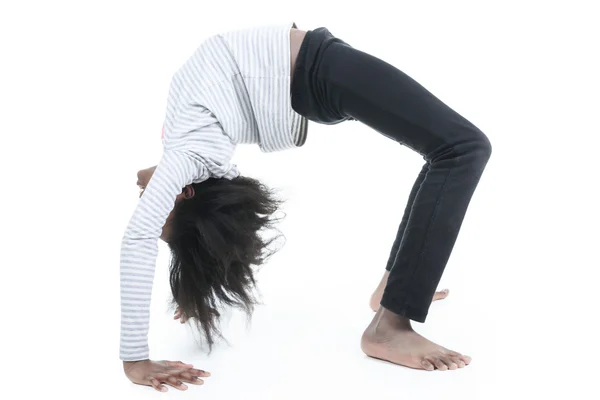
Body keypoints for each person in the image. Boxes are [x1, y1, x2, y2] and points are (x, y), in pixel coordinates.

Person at [121, 23, 492, 392]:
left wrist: (195, 281)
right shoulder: (185, 161)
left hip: (314, 69)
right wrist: (134, 359)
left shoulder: (188, 157)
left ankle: (395, 289)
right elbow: (137, 238)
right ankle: (389, 329)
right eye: (159, 214)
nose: (147, 204)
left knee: (446, 151)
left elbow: (159, 175)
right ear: (184, 194)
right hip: (318, 69)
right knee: (463, 149)